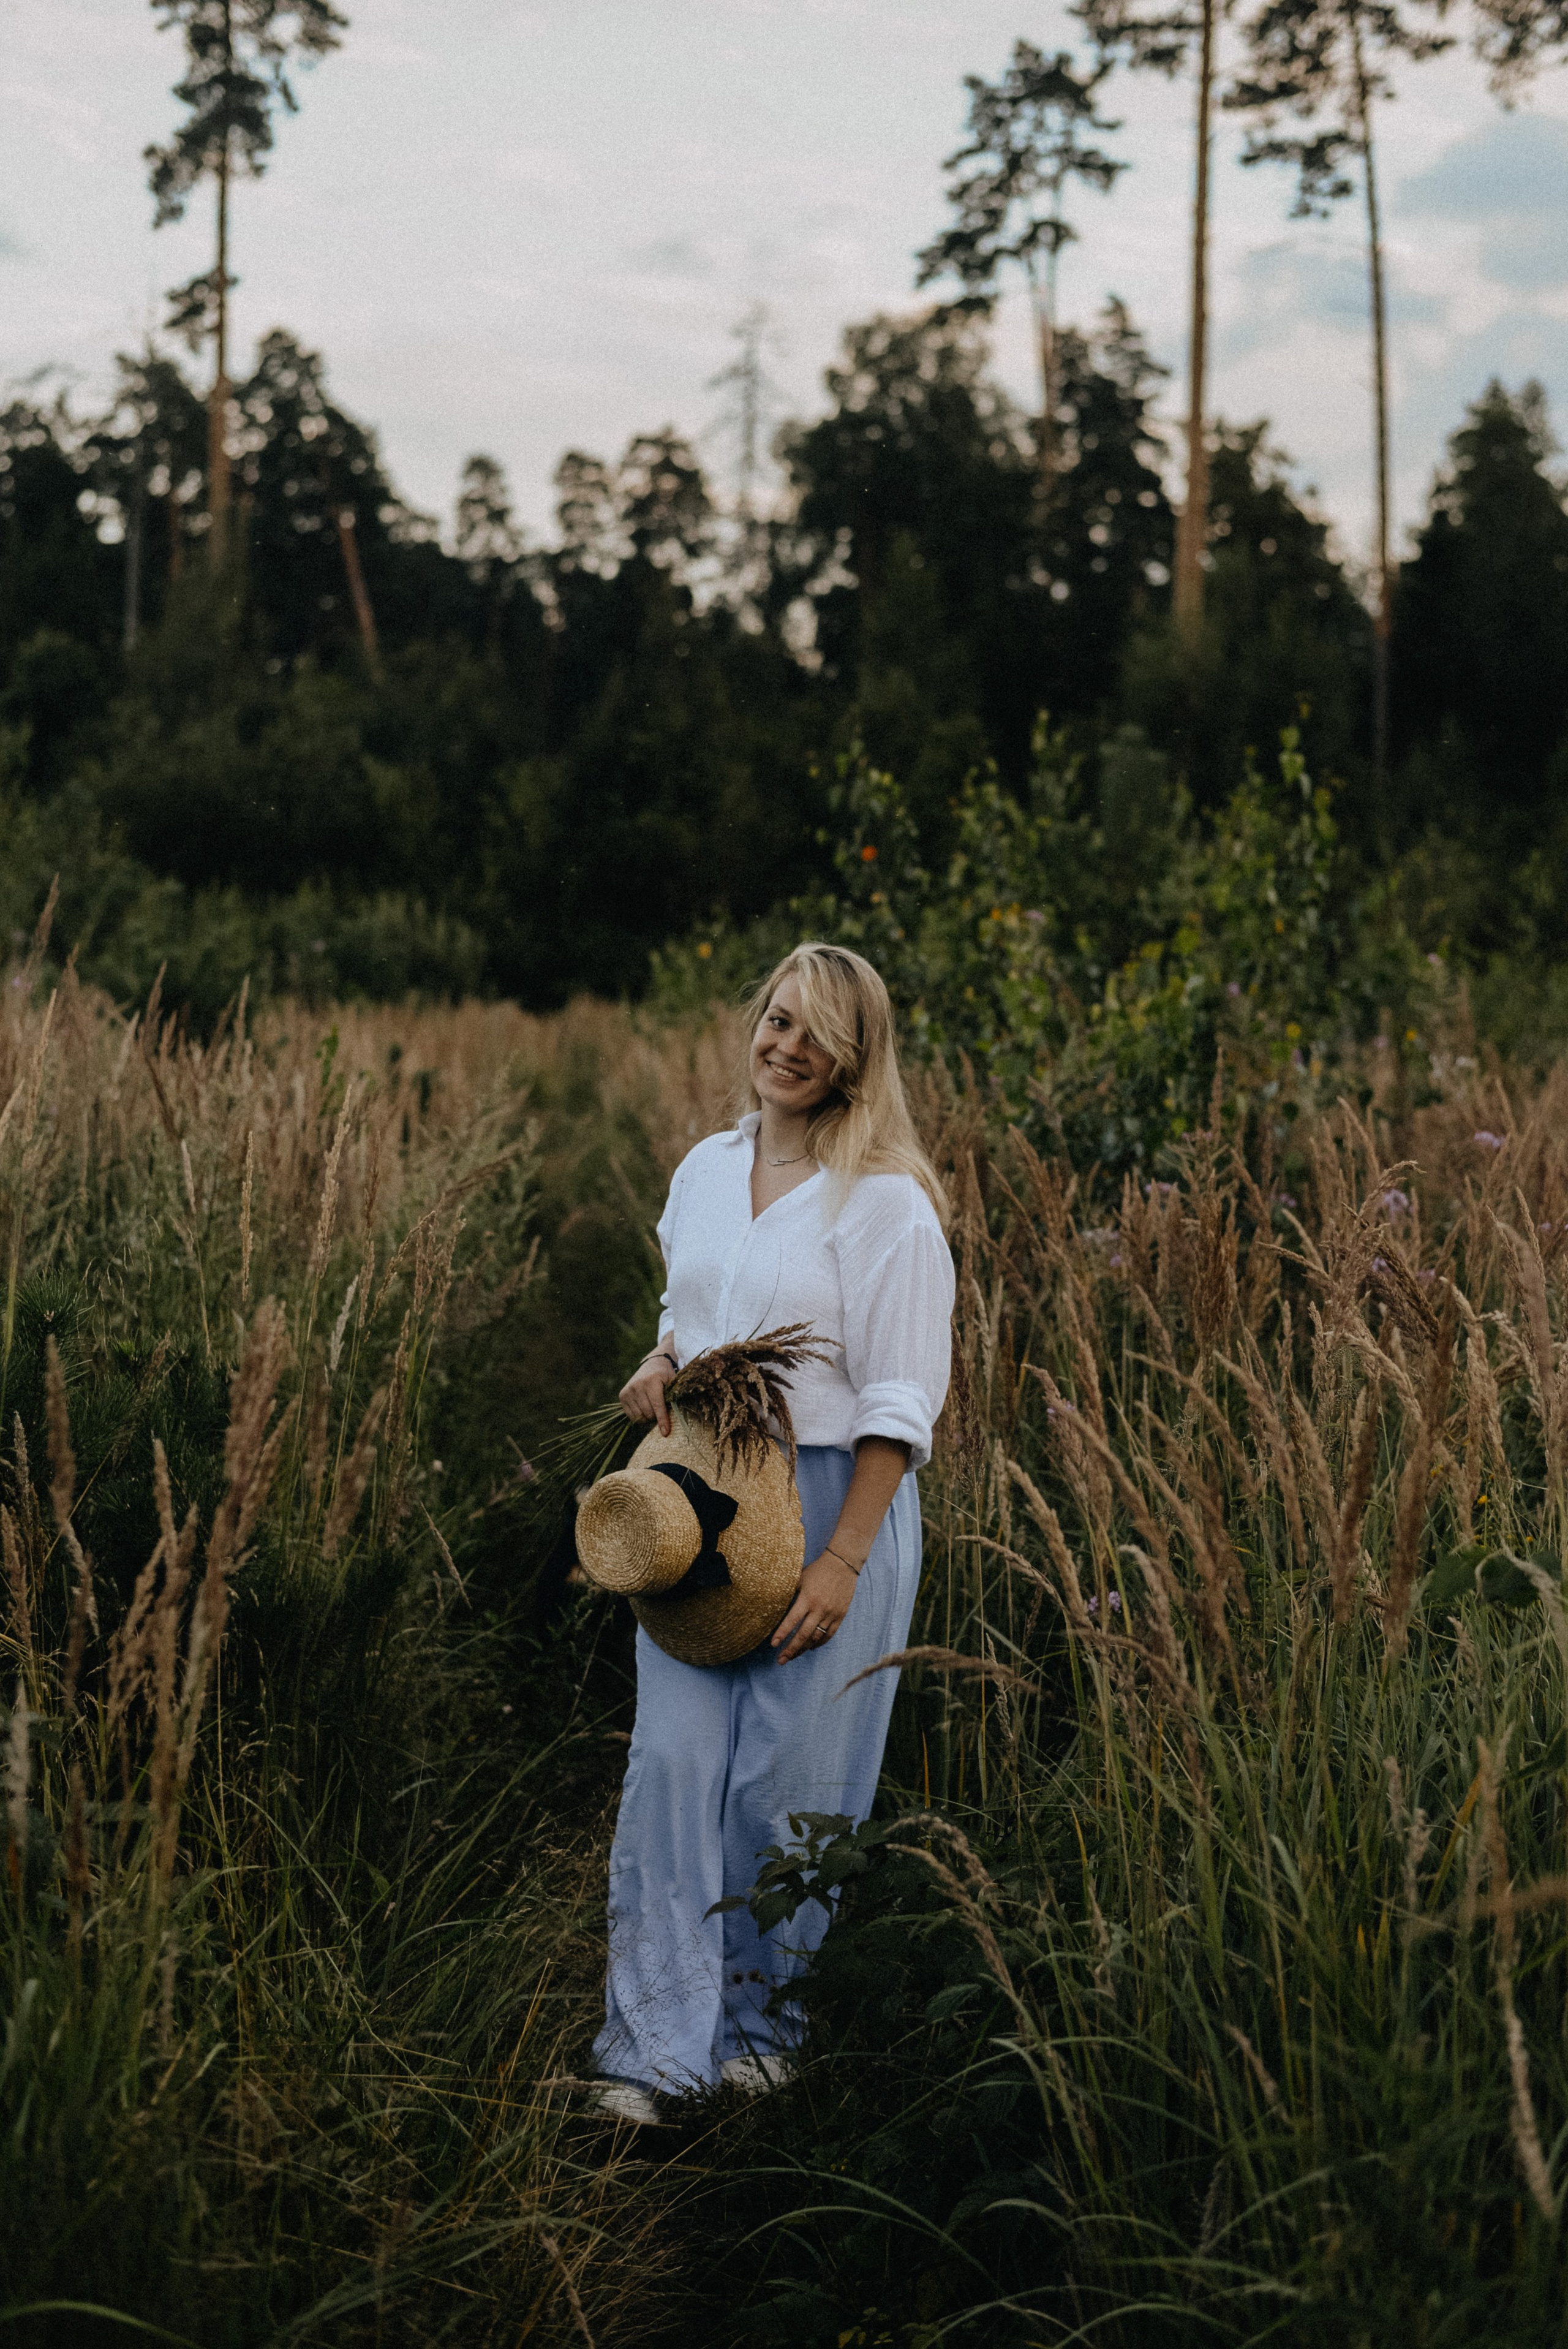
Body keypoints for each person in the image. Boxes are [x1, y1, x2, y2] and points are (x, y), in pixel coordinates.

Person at [589, 942, 955, 2124]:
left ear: (855, 1061)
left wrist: (847, 1558)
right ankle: (652, 2051)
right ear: (756, 1023)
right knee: (674, 1768)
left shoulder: (888, 1202)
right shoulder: (704, 1168)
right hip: (699, 1497)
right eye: (777, 1020)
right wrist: (657, 1362)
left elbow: (901, 1398)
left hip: (838, 1500)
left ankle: (763, 2034)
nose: (788, 1046)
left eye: (818, 1035)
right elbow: (682, 1311)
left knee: (789, 1783)